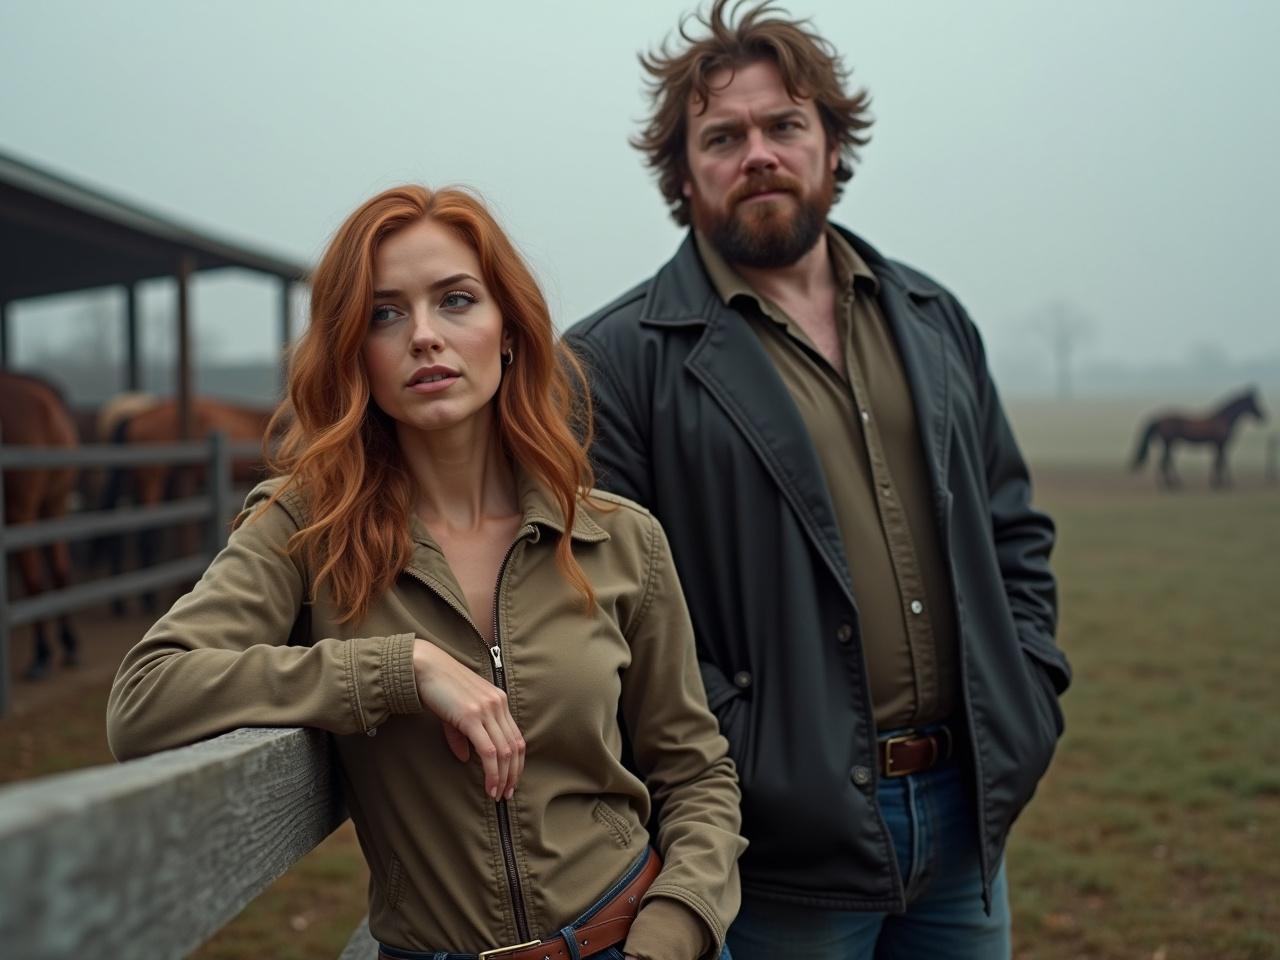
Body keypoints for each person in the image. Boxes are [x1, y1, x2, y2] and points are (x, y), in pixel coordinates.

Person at [107, 185, 743, 960]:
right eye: (385, 314)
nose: (424, 337)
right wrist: (395, 668)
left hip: (628, 939)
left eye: (456, 301)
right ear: (354, 353)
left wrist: (678, 924)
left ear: (506, 331)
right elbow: (144, 698)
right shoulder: (305, 527)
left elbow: (696, 772)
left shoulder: (616, 536)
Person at [566, 2, 1070, 957]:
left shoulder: (934, 317)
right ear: (682, 172)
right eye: (723, 136)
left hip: (967, 826)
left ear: (833, 146)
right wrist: (751, 763)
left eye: (785, 125)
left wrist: (1030, 685)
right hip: (770, 854)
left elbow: (1015, 530)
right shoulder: (611, 363)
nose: (759, 152)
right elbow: (601, 616)